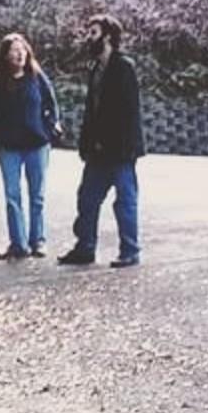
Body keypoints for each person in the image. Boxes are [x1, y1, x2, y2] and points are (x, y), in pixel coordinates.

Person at [59, 14, 145, 269]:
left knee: (125, 201)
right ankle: (85, 247)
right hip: (97, 152)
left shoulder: (124, 67)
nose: (89, 37)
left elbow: (129, 112)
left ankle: (130, 251)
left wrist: (124, 148)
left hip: (120, 151)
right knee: (86, 198)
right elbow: (92, 112)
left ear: (108, 36)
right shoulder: (95, 68)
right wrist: (86, 145)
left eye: (94, 32)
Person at [0, 32, 62, 261]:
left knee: (37, 196)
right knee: (12, 196)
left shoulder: (37, 78)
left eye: (23, 49)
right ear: (5, 56)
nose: (20, 54)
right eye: (14, 50)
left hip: (37, 144)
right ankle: (18, 243)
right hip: (9, 147)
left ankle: (38, 240)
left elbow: (51, 105)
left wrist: (48, 129)